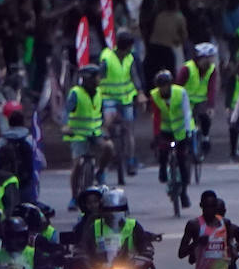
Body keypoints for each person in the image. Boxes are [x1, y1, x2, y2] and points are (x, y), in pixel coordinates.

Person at [98, 32, 147, 178]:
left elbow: (134, 77)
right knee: (107, 124)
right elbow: (99, 77)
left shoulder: (129, 59)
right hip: (108, 97)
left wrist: (140, 93)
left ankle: (131, 160)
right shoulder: (106, 58)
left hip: (126, 98)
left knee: (128, 130)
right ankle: (106, 155)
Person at [64, 64, 112, 206]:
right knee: (78, 164)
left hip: (95, 132)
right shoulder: (76, 93)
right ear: (88, 79)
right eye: (96, 77)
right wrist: (66, 126)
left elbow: (102, 113)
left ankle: (101, 171)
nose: (99, 80)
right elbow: (66, 111)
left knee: (109, 147)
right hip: (78, 134)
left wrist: (105, 126)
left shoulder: (99, 93)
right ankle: (74, 197)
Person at [149, 70, 193, 208]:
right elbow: (156, 116)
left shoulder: (181, 93)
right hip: (165, 129)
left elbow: (187, 112)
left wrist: (188, 131)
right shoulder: (154, 96)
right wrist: (156, 135)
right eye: (160, 86)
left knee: (182, 160)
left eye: (165, 85)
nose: (163, 88)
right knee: (163, 153)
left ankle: (184, 193)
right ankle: (162, 168)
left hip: (180, 130)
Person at [177, 42, 219, 155]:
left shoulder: (212, 70)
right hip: (185, 100)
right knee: (185, 122)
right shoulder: (187, 68)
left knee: (205, 117)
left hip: (201, 100)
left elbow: (212, 88)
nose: (211, 61)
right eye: (209, 58)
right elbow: (178, 86)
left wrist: (211, 105)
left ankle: (205, 137)